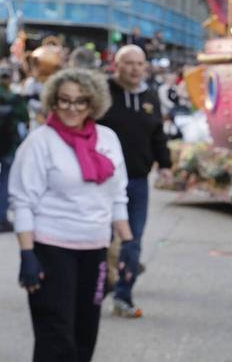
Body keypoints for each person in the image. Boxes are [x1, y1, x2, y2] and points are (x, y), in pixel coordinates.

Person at [9, 68, 138, 361]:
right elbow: (23, 201)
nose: (72, 108)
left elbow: (117, 196)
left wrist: (128, 242)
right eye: (64, 100)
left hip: (95, 250)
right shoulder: (40, 142)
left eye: (80, 101)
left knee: (84, 336)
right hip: (51, 250)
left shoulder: (108, 139)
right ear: (53, 101)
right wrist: (27, 253)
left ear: (93, 104)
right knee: (56, 337)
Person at [98, 45, 169, 319]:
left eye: (140, 63)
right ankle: (97, 285)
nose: (135, 68)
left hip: (137, 182)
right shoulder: (103, 95)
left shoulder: (150, 97)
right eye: (129, 63)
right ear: (117, 65)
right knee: (100, 238)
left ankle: (123, 295)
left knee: (133, 240)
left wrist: (165, 164)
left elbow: (157, 134)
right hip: (102, 182)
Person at [0, 65, 30, 232]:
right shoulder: (14, 98)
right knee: (5, 182)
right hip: (9, 146)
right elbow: (25, 118)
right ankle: (1, 218)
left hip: (9, 145)